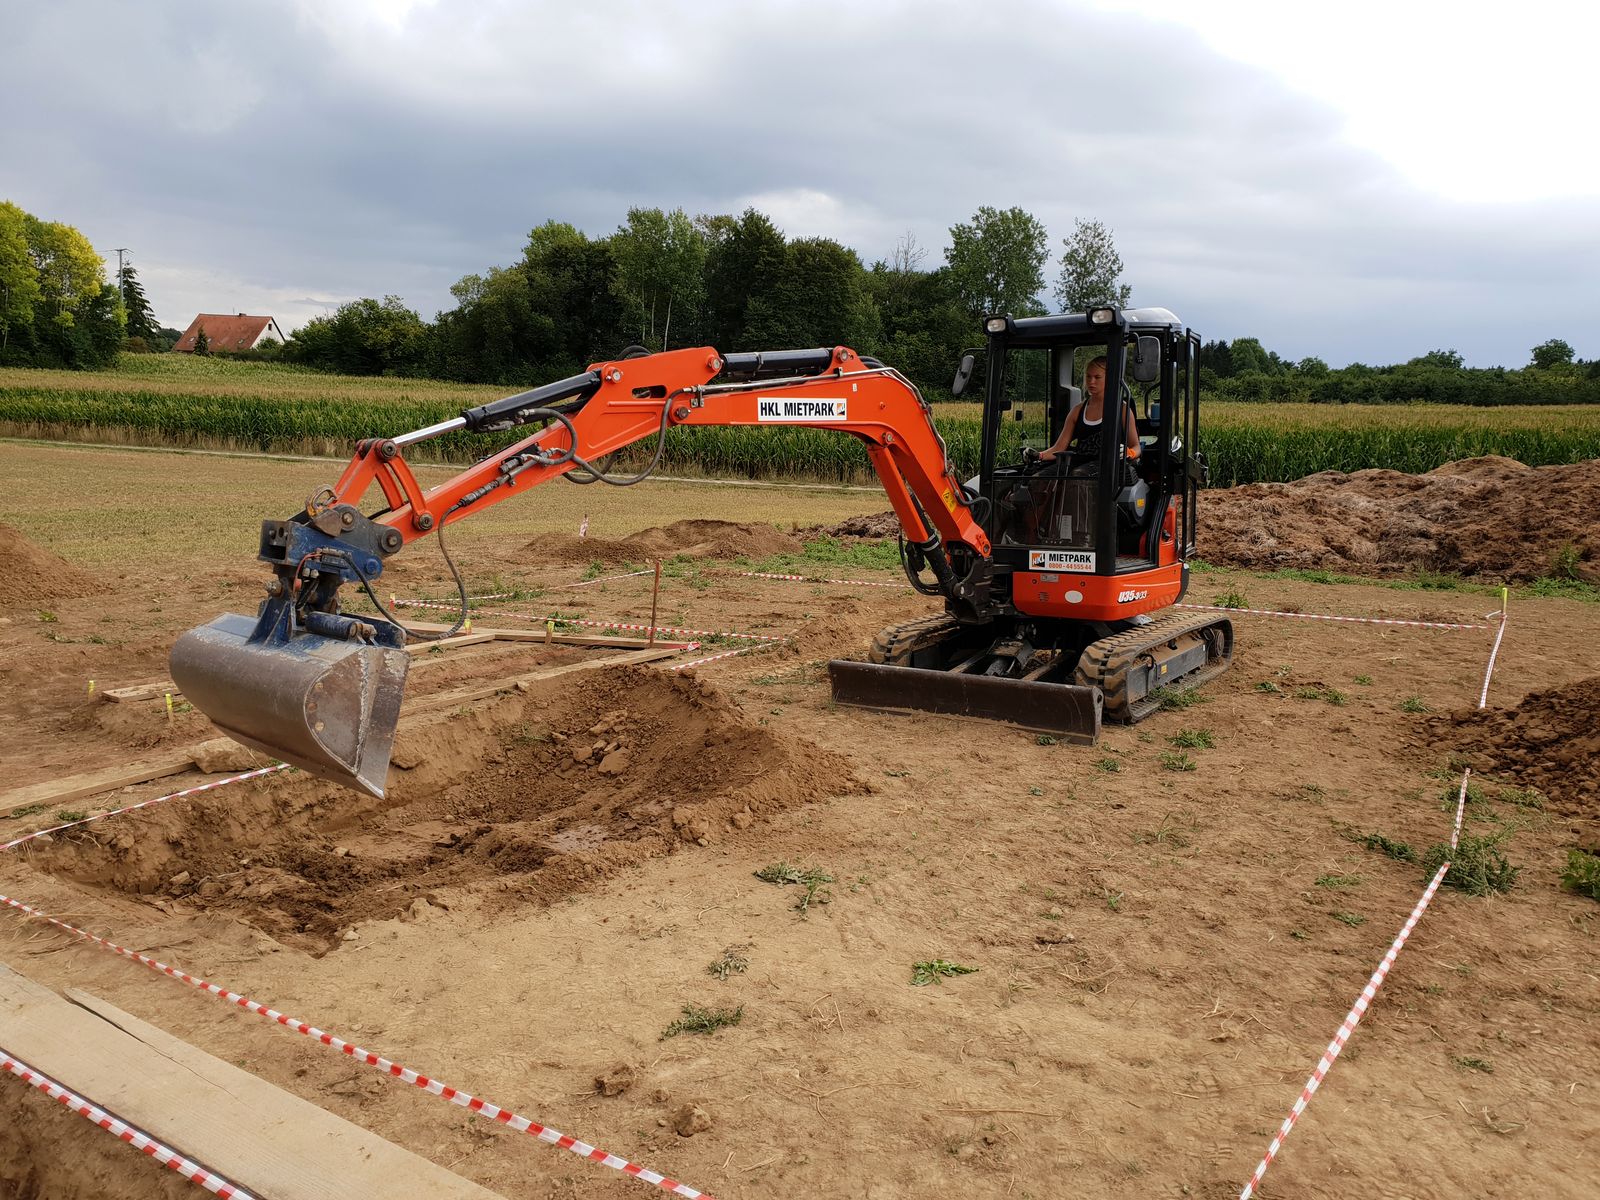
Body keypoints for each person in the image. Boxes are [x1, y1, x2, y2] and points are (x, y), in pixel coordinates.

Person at [1038, 356, 1140, 468]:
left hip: (1108, 470)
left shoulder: (1123, 410)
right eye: (1088, 376)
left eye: (1097, 377)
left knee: (1078, 477)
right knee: (1038, 479)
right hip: (1078, 464)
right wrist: (1039, 455)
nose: (1091, 382)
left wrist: (1130, 453)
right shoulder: (1077, 411)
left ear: (1110, 378)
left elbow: (1136, 446)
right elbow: (1058, 448)